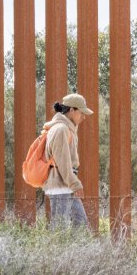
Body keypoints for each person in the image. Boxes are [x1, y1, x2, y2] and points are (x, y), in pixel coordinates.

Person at [43, 93, 93, 229]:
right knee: (60, 229)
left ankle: (77, 251)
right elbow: (63, 163)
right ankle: (57, 251)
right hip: (60, 186)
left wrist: (72, 184)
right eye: (81, 112)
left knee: (81, 225)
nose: (83, 117)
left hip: (66, 185)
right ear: (71, 110)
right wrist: (76, 184)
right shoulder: (61, 130)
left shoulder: (67, 129)